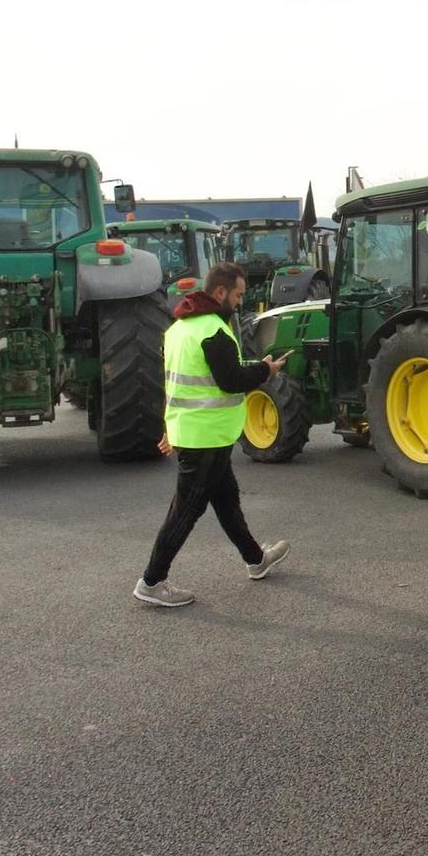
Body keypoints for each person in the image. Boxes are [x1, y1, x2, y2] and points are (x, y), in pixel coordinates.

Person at [134, 261, 292, 608]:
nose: (239, 302)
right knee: (186, 510)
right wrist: (266, 369)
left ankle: (255, 559)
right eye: (237, 295)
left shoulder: (179, 329)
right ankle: (152, 580)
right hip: (206, 435)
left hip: (201, 433)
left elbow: (175, 384)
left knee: (227, 501)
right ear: (220, 292)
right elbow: (231, 380)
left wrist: (169, 427)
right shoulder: (214, 331)